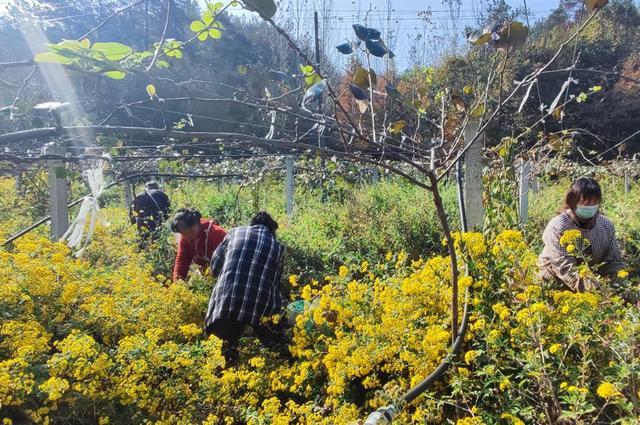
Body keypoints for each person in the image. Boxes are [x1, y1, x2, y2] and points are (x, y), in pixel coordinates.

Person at [205, 211, 289, 364]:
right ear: (272, 230)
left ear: (253, 224)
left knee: (224, 351)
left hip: (226, 300)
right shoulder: (278, 248)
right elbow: (274, 284)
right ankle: (282, 357)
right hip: (259, 304)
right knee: (272, 336)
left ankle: (228, 374)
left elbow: (215, 266)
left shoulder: (235, 232)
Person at [538, 177, 625, 292]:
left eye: (594, 202)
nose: (590, 206)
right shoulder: (558, 226)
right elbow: (564, 267)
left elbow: (614, 261)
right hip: (556, 279)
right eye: (585, 202)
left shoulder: (605, 225)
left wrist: (618, 287)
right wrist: (596, 290)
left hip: (593, 279)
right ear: (572, 201)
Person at [171, 208, 227, 282]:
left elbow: (225, 265)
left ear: (193, 228)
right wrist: (178, 284)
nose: (182, 237)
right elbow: (182, 260)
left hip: (223, 278)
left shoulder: (217, 234)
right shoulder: (186, 238)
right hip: (208, 280)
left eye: (183, 233)